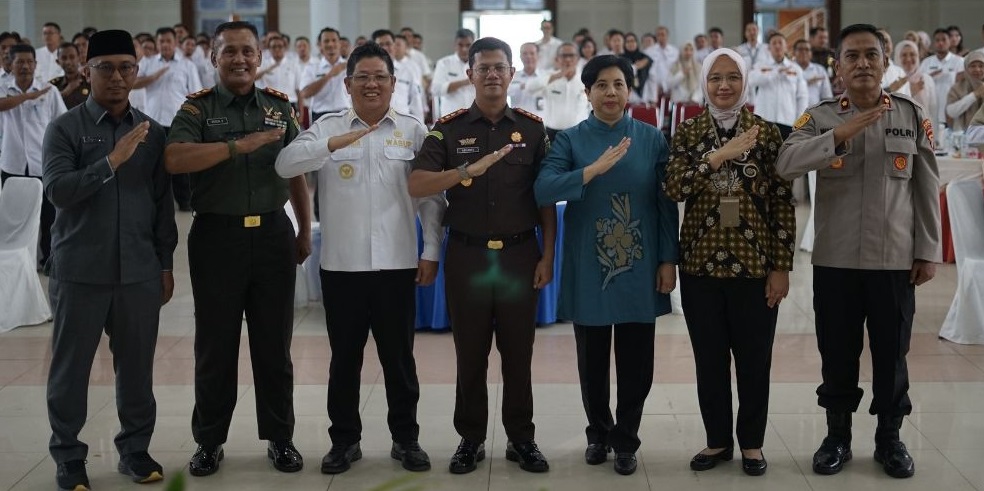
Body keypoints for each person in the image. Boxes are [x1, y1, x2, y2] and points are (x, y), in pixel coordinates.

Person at [776, 24, 941, 480]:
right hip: (837, 260)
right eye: (852, 56)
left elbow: (927, 187)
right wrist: (837, 135)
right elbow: (785, 164)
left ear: (886, 63)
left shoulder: (911, 114)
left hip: (894, 261)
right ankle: (837, 436)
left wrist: (928, 250)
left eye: (872, 55)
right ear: (838, 66)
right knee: (837, 352)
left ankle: (890, 438)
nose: (863, 63)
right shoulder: (820, 117)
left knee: (892, 353)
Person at [275, 41, 446, 475]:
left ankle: (406, 439)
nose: (372, 85)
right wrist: (331, 144)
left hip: (397, 265)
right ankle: (344, 441)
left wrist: (430, 251)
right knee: (344, 360)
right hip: (342, 267)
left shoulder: (413, 130)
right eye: (363, 78)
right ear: (347, 84)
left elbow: (431, 198)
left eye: (380, 77)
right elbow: (285, 164)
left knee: (399, 360)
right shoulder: (327, 126)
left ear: (394, 83)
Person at [163, 20, 312, 478]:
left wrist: (304, 231)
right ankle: (209, 441)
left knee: (274, 345)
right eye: (229, 51)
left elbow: (296, 170)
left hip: (271, 235)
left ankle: (280, 438)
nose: (240, 59)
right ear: (214, 57)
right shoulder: (197, 109)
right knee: (216, 346)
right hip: (216, 238)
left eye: (248, 51)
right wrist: (236, 147)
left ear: (259, 57)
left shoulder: (279, 108)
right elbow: (175, 158)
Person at [408, 36, 556, 475]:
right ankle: (470, 439)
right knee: (469, 353)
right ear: (469, 74)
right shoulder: (448, 129)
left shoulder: (533, 130)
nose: (492, 74)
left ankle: (521, 438)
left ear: (513, 74)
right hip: (468, 257)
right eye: (483, 68)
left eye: (499, 67)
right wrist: (463, 171)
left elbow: (546, 199)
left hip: (519, 255)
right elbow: (417, 183)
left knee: (519, 353)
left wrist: (548, 255)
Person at [41, 29, 178, 491]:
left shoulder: (152, 133)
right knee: (71, 370)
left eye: (125, 68)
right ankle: (68, 456)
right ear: (87, 71)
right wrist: (112, 161)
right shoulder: (65, 128)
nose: (117, 77)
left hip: (138, 271)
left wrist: (165, 264)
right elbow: (58, 192)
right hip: (80, 270)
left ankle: (135, 450)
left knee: (137, 370)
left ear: (136, 72)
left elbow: (162, 207)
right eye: (105, 68)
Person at [534, 54, 679, 476]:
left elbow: (665, 205)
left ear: (630, 91)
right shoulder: (570, 140)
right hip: (590, 266)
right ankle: (598, 433)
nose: (610, 92)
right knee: (592, 361)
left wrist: (668, 259)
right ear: (587, 92)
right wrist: (590, 171)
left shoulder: (652, 139)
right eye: (601, 85)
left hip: (641, 264)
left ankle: (626, 439)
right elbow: (543, 189)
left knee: (637, 363)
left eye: (618, 84)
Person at [664, 47, 794, 477]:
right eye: (715, 77)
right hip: (700, 266)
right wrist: (717, 157)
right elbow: (675, 188)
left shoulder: (766, 133)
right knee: (710, 360)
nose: (724, 85)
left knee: (755, 360)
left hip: (754, 267)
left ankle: (752, 443)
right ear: (704, 82)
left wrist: (781, 266)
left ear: (745, 81)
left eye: (732, 77)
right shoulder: (688, 131)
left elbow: (782, 203)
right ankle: (717, 440)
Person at [0, 44, 68, 269]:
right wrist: (29, 96)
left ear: (36, 64)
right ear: (10, 64)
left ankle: (48, 260)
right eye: (20, 62)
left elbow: (62, 122)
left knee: (49, 216)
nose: (25, 66)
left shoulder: (49, 91)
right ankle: (17, 263)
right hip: (13, 164)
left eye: (30, 61)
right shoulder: (3, 87)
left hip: (43, 163)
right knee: (15, 217)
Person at [134, 26, 204, 212]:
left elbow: (196, 94)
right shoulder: (148, 63)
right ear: (157, 43)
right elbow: (133, 83)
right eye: (161, 41)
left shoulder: (187, 65)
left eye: (168, 41)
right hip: (153, 121)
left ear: (175, 43)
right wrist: (153, 77)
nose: (165, 44)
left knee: (180, 163)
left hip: (178, 121)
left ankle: (185, 201)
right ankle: (155, 202)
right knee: (155, 163)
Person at [526, 42, 589, 141]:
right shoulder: (549, 77)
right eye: (564, 56)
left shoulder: (585, 79)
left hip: (579, 132)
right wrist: (557, 76)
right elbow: (529, 88)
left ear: (578, 58)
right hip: (553, 133)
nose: (568, 59)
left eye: (571, 55)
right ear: (557, 58)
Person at [749, 32, 808, 138]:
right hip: (764, 121)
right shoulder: (760, 65)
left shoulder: (795, 68)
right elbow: (751, 80)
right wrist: (775, 72)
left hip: (788, 120)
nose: (777, 46)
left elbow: (802, 97)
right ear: (769, 48)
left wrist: (799, 121)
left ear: (786, 47)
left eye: (780, 43)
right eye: (774, 43)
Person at [372, 30, 424, 121]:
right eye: (380, 44)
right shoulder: (366, 72)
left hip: (403, 122)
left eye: (388, 44)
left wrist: (420, 124)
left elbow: (415, 102)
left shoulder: (408, 71)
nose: (385, 48)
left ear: (394, 46)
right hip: (374, 122)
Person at [300, 27, 349, 122]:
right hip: (320, 115)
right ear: (320, 45)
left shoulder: (350, 66)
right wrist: (329, 75)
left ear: (339, 43)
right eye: (326, 41)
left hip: (345, 114)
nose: (330, 44)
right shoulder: (312, 67)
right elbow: (305, 94)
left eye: (334, 40)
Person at [920, 28, 965, 125]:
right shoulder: (926, 62)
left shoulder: (959, 61)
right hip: (930, 112)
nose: (940, 43)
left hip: (952, 113)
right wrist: (929, 77)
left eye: (944, 40)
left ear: (950, 41)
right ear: (933, 43)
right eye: (937, 40)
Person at [431, 29, 475, 118]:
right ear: (455, 45)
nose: (464, 49)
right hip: (451, 116)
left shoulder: (479, 64)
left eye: (468, 45)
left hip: (474, 116)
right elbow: (435, 89)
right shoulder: (444, 63)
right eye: (460, 45)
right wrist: (467, 81)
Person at [896, 40, 938, 136]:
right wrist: (910, 91)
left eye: (912, 54)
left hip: (923, 132)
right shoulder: (893, 79)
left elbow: (933, 110)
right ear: (898, 57)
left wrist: (934, 137)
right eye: (904, 55)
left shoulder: (926, 79)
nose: (908, 59)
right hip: (899, 132)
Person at [945, 51, 984, 131]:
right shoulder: (957, 87)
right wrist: (974, 95)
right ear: (966, 68)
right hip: (962, 135)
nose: (977, 69)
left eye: (981, 66)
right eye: (973, 66)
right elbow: (951, 112)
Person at [508, 42, 545, 118]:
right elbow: (505, 91)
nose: (528, 56)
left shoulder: (546, 76)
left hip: (541, 121)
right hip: (517, 120)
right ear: (520, 56)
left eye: (532, 53)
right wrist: (522, 86)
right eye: (525, 53)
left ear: (538, 55)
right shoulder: (513, 75)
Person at [50, 42, 90, 109]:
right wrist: (65, 92)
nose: (68, 62)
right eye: (64, 58)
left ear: (79, 58)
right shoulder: (53, 86)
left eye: (72, 57)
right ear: (58, 61)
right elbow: (47, 106)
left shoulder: (90, 82)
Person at [620, 33, 651, 102]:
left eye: (633, 41)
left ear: (637, 43)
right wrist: (635, 67)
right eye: (628, 42)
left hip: (645, 93)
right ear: (624, 44)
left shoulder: (645, 58)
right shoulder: (620, 59)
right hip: (626, 92)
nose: (630, 44)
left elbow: (652, 77)